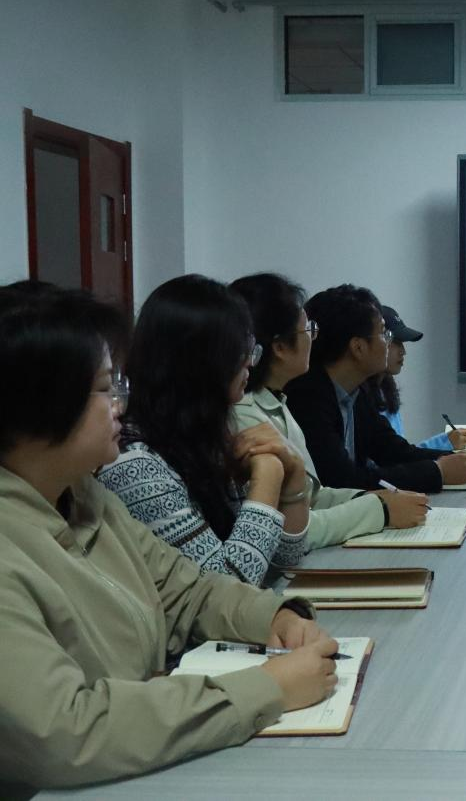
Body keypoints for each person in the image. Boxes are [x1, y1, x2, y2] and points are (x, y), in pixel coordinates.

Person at [0, 285, 338, 792]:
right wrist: (265, 688)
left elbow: (188, 590)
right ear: (39, 404)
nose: (120, 404)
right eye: (105, 387)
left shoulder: (84, 496)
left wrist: (275, 617)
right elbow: (66, 732)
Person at [98, 275, 309, 586]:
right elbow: (225, 586)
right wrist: (268, 475)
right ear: (201, 361)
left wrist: (294, 480)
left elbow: (284, 561)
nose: (250, 363)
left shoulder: (202, 437)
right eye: (241, 350)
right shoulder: (133, 463)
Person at [229, 274, 429, 550]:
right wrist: (380, 509)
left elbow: (314, 496)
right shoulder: (248, 416)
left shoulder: (277, 401)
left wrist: (378, 499)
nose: (314, 338)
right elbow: (289, 530)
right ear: (280, 347)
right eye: (308, 330)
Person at [284, 284, 466, 493]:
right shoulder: (307, 399)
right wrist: (437, 471)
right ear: (358, 347)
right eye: (383, 333)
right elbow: (341, 479)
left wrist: (451, 460)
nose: (388, 342)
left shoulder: (355, 392)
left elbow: (391, 450)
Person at [362, 304, 466, 451]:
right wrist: (444, 444)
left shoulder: (386, 392)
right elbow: (395, 458)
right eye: (396, 342)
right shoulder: (360, 400)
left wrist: (445, 443)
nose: (403, 351)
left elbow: (400, 454)